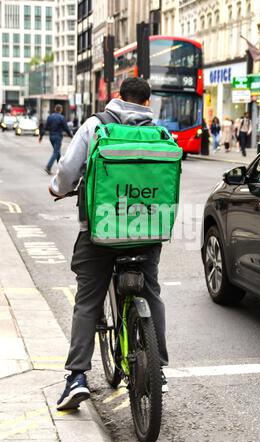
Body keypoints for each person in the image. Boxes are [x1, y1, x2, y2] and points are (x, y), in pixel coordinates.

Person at [48, 78, 169, 411]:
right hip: (146, 231)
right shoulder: (159, 134)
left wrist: (57, 189)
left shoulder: (95, 126)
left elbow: (68, 173)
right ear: (147, 102)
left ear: (118, 97)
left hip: (99, 233)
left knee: (87, 300)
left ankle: (76, 379)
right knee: (151, 292)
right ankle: (158, 368)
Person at [40, 104, 73, 175]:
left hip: (51, 137)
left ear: (55, 109)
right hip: (58, 137)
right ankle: (48, 167)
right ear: (61, 110)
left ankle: (61, 169)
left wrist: (41, 136)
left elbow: (45, 127)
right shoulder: (61, 117)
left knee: (57, 153)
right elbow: (66, 128)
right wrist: (71, 136)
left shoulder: (50, 117)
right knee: (56, 152)